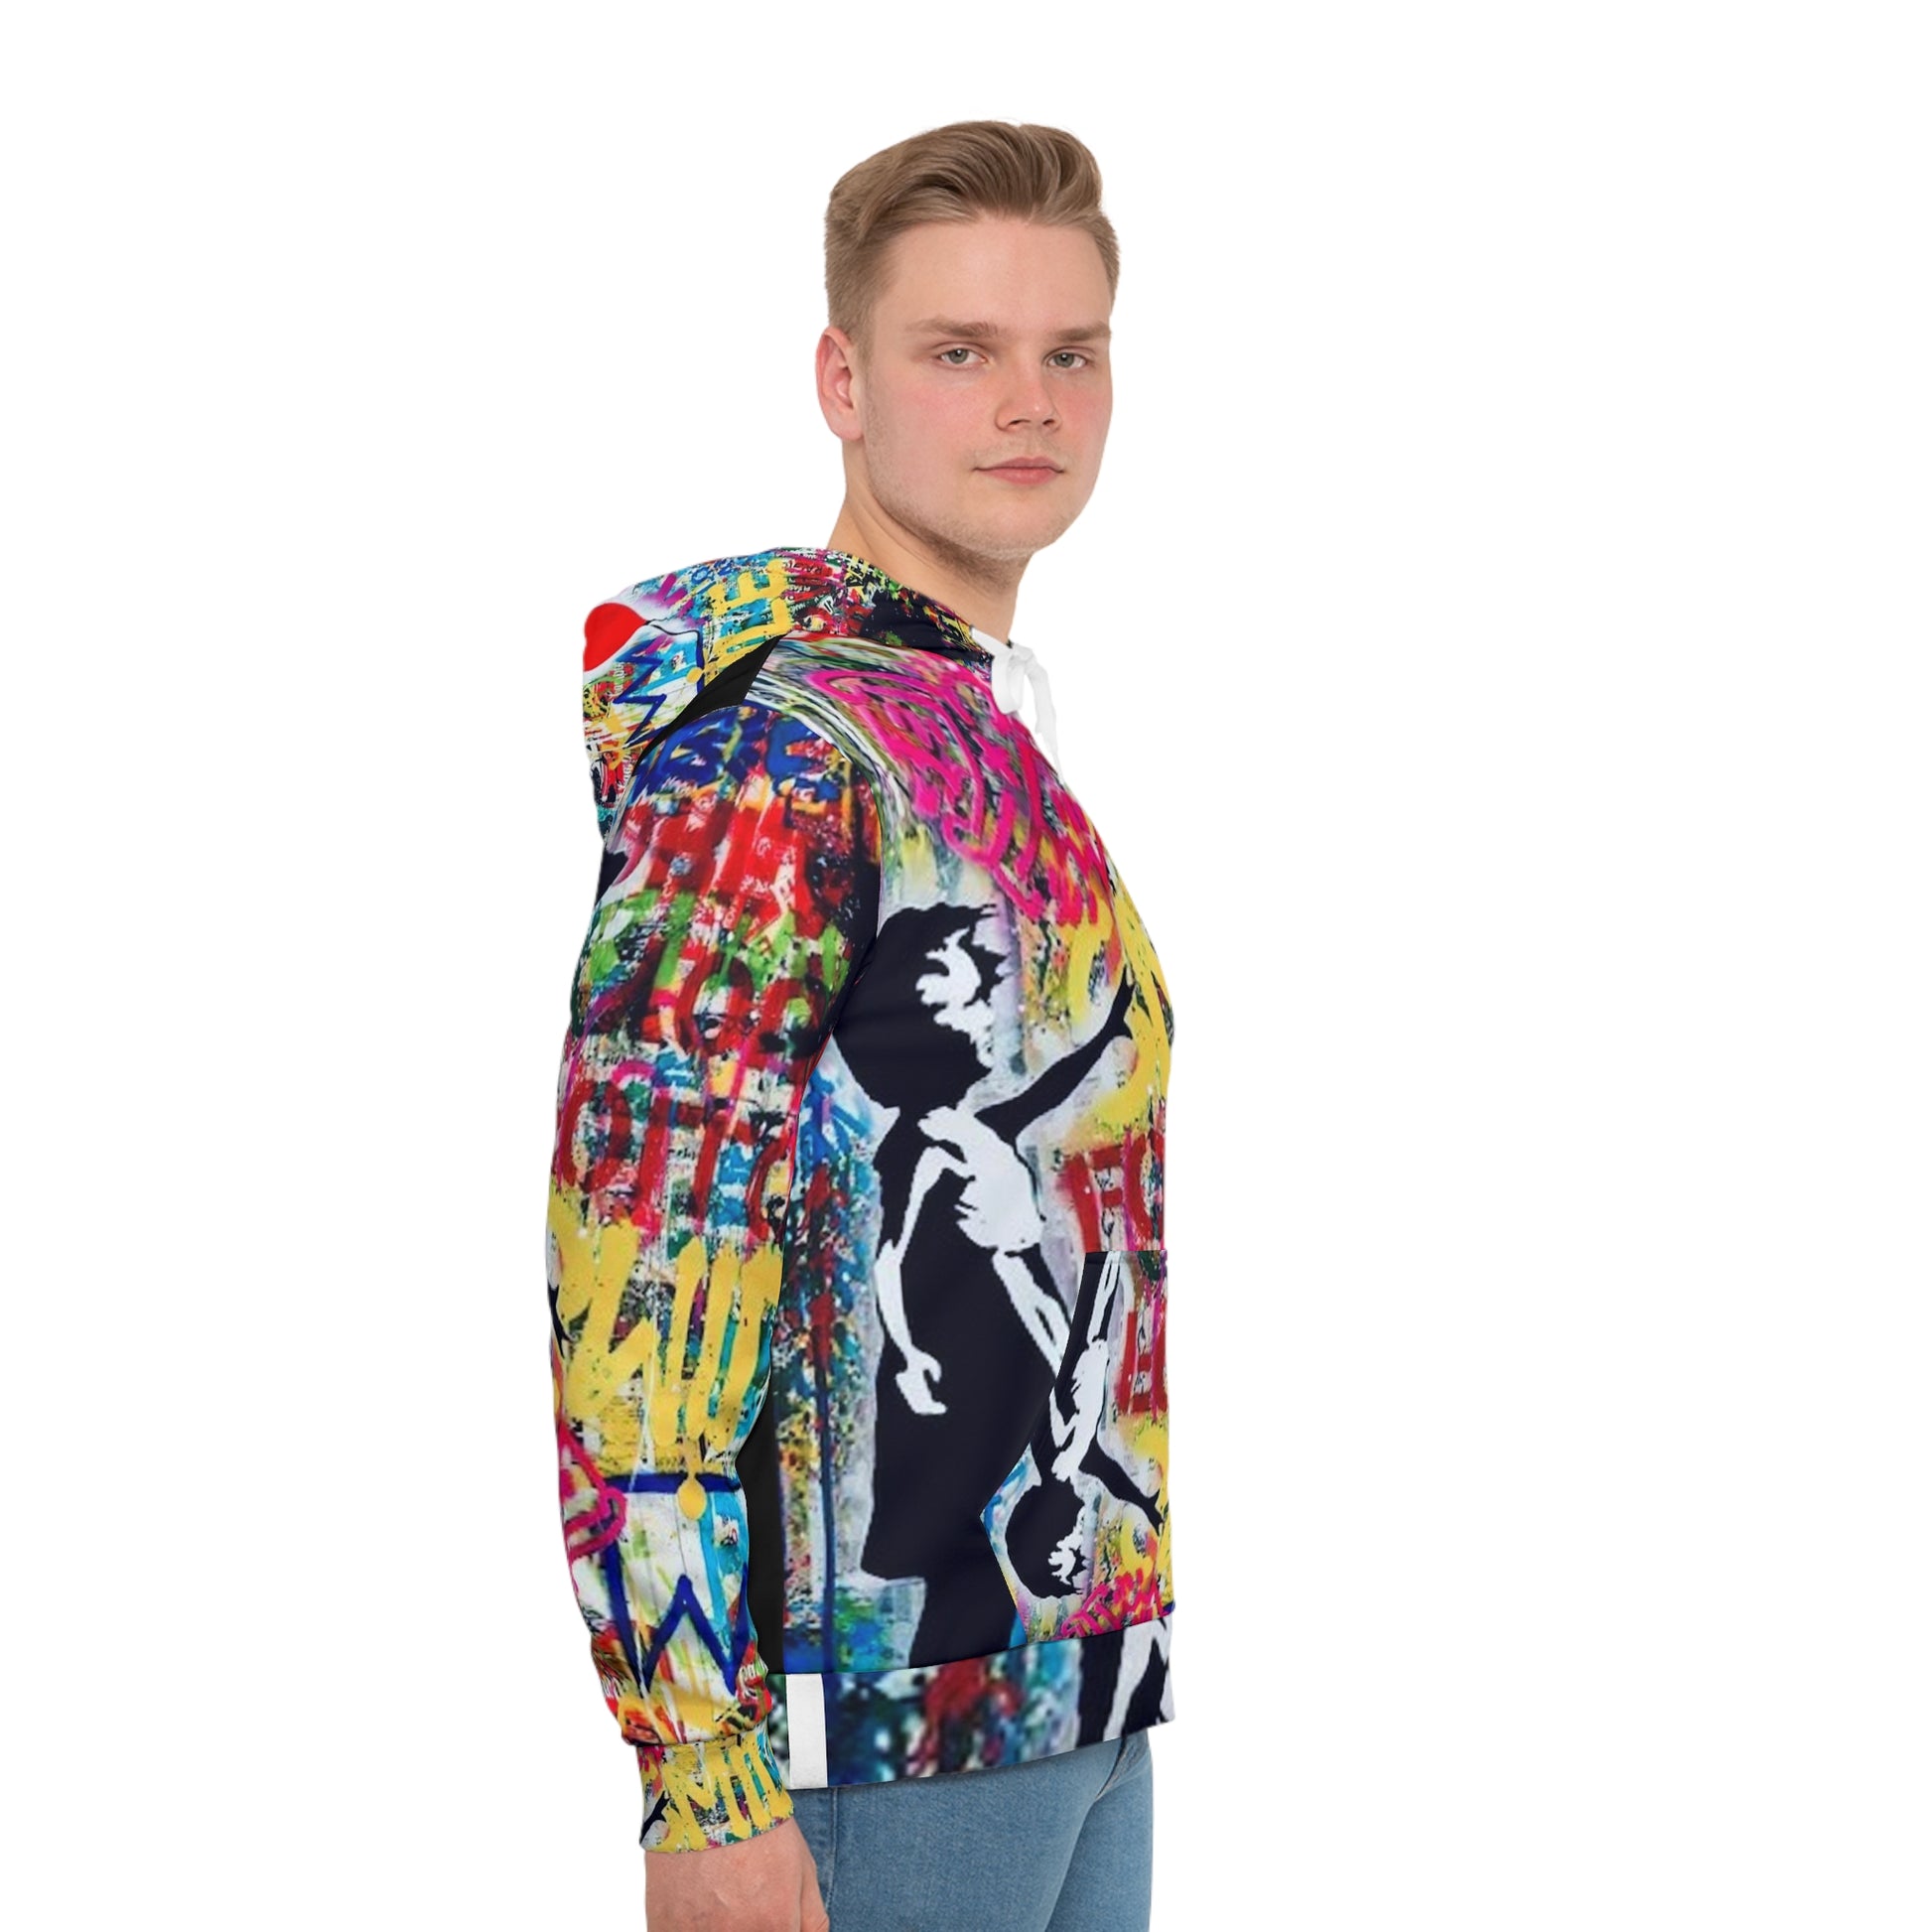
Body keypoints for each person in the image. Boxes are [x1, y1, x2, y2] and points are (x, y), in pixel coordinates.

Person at [546, 120, 1176, 1932]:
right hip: (863, 1742)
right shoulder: (772, 750)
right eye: (958, 350)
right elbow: (646, 1253)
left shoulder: (965, 726)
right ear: (843, 381)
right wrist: (699, 1768)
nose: (1029, 402)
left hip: (1071, 1684)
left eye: (1071, 352)